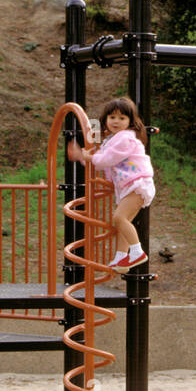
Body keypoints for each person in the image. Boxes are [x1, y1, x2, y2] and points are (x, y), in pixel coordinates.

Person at [69, 96, 154, 271]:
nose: (116, 121)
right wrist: (83, 157)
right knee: (122, 223)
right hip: (128, 186)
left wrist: (89, 156)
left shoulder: (125, 138)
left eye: (122, 118)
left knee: (119, 218)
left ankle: (137, 252)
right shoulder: (112, 140)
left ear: (130, 122)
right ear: (105, 119)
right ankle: (121, 257)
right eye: (112, 117)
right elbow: (101, 161)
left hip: (137, 184)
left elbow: (106, 159)